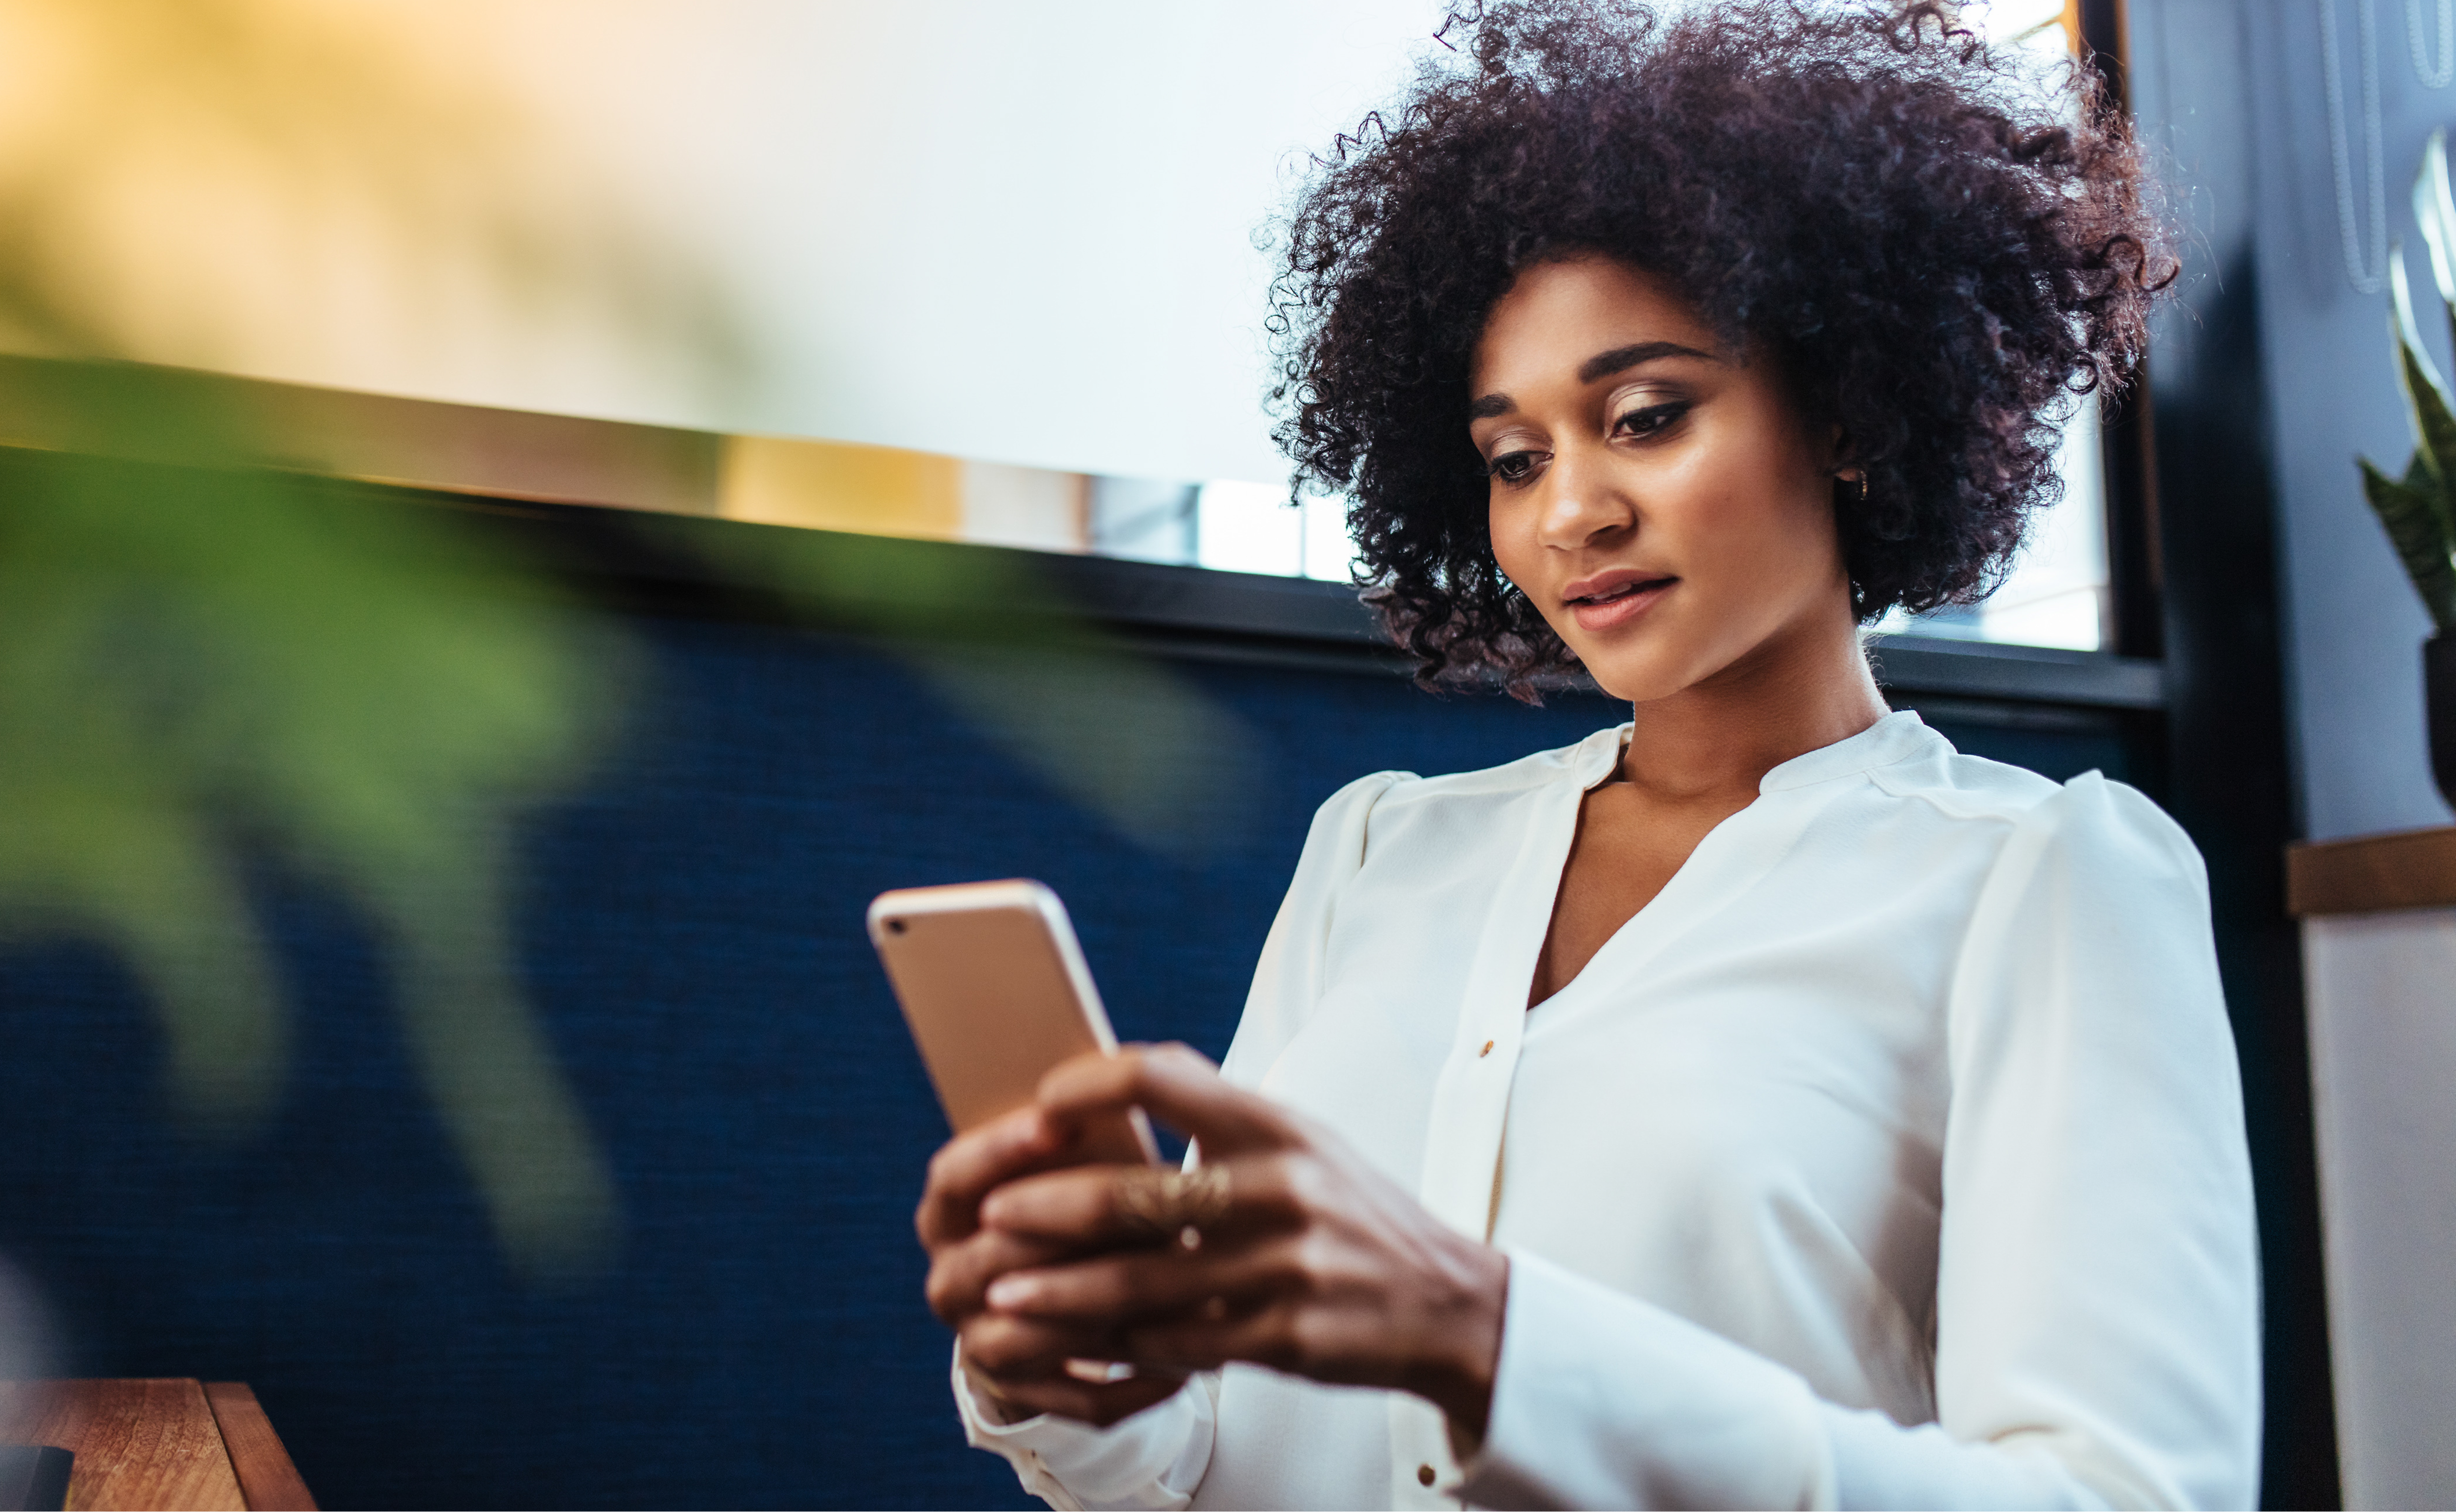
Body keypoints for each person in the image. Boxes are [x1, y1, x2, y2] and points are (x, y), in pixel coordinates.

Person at [915, 1, 2259, 1506]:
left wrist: (1491, 1341)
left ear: (1850, 414)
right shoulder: (1378, 850)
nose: (1570, 515)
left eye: (1644, 415)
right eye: (1514, 457)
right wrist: (1078, 1385)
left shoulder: (2039, 878)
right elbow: (1207, 1452)